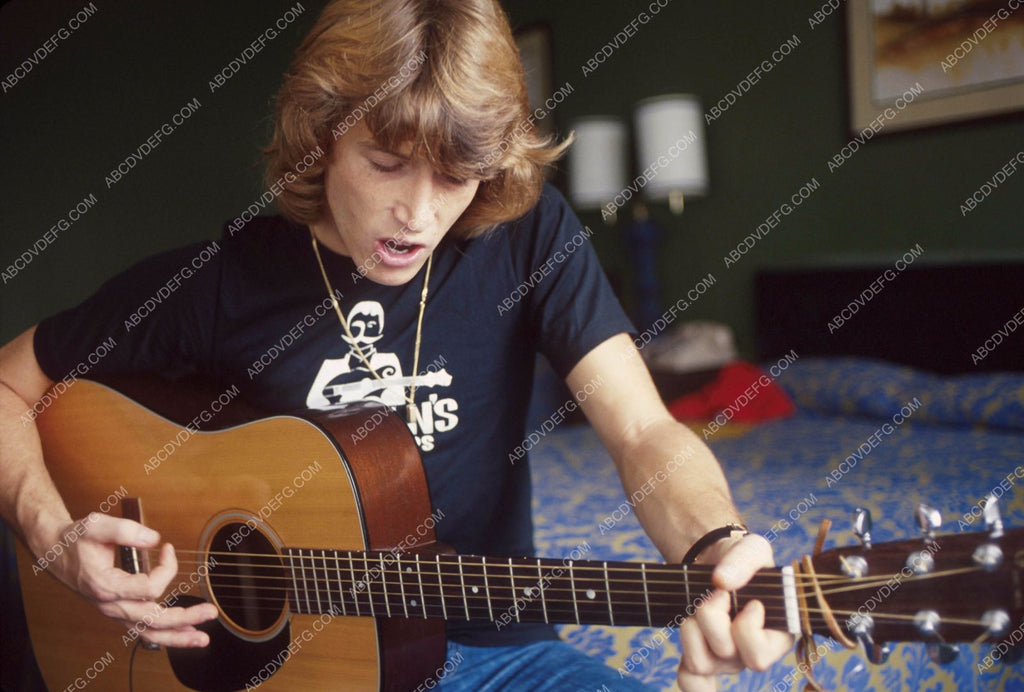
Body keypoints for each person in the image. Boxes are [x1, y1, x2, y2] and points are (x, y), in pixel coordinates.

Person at [0, 0, 793, 689]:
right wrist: (52, 535)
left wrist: (715, 543)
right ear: (322, 138)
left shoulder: (527, 238)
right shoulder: (218, 286)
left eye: (455, 176)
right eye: (387, 163)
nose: (418, 215)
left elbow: (643, 430)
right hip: (296, 670)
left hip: (495, 650)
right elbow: (8, 384)